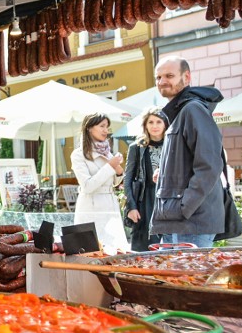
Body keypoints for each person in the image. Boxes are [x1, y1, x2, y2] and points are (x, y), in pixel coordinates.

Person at [149, 56, 224, 248]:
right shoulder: (178, 112)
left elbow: (209, 165)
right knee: (176, 278)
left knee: (188, 278)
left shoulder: (192, 109)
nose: (162, 81)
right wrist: (165, 175)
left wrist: (185, 206)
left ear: (187, 77)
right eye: (158, 77)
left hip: (192, 223)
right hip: (179, 220)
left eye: (169, 75)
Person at [70, 113, 129, 252]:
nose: (105, 130)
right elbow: (87, 186)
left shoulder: (107, 152)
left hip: (110, 206)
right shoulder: (78, 154)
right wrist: (110, 166)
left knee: (116, 251)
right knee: (91, 251)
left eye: (107, 127)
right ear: (89, 128)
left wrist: (119, 172)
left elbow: (112, 183)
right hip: (91, 207)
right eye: (102, 126)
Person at [123, 107, 169, 251]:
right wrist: (131, 207)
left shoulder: (173, 144)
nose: (154, 126)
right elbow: (128, 178)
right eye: (151, 122)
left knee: (169, 247)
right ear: (145, 125)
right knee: (144, 248)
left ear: (165, 124)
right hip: (145, 201)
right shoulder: (137, 147)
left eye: (158, 122)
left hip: (169, 200)